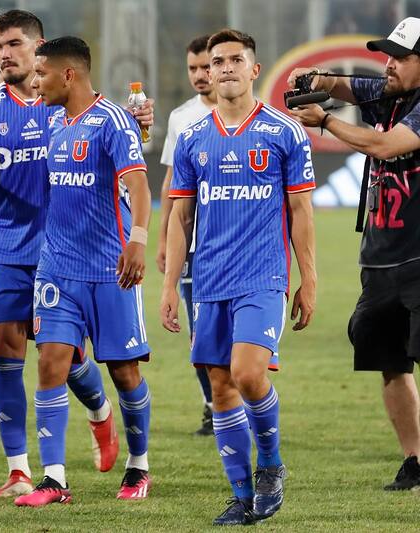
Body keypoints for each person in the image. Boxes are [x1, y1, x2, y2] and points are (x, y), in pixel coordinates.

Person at [0, 10, 151, 498]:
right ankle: (30, 472)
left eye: (14, 45)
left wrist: (137, 124)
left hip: (92, 253)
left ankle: (110, 425)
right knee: (15, 352)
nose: (5, 55)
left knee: (97, 363)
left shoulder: (62, 106)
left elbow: (123, 154)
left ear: (42, 50)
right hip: (11, 248)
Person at [162, 29, 316, 525]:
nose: (224, 68)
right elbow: (180, 217)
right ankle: (241, 494)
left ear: (254, 69)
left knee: (249, 375)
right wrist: (169, 286)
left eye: (235, 60)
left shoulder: (283, 132)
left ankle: (271, 465)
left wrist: (308, 279)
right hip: (208, 281)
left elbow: (300, 209)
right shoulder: (192, 138)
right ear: (207, 72)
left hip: (263, 277)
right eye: (216, 61)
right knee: (220, 386)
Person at [13, 35, 153, 507]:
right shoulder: (53, 121)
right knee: (51, 362)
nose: (35, 83)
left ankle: (139, 466)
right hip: (57, 269)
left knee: (124, 371)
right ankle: (53, 479)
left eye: (42, 74)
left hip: (110, 268)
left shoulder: (112, 121)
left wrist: (137, 241)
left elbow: (138, 185)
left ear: (68, 74)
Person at [289, 16, 420, 491]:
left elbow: (385, 145)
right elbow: (348, 84)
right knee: (390, 363)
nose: (389, 64)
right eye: (388, 54)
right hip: (380, 260)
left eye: (401, 57)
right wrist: (317, 82)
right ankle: (415, 461)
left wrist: (324, 120)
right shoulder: (388, 89)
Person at [157, 34, 217, 436]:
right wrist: (163, 239)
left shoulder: (255, 115)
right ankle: (213, 406)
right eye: (192, 68)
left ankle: (237, 399)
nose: (199, 75)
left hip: (233, 246)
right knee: (199, 336)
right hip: (192, 246)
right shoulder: (182, 117)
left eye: (205, 67)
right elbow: (171, 183)